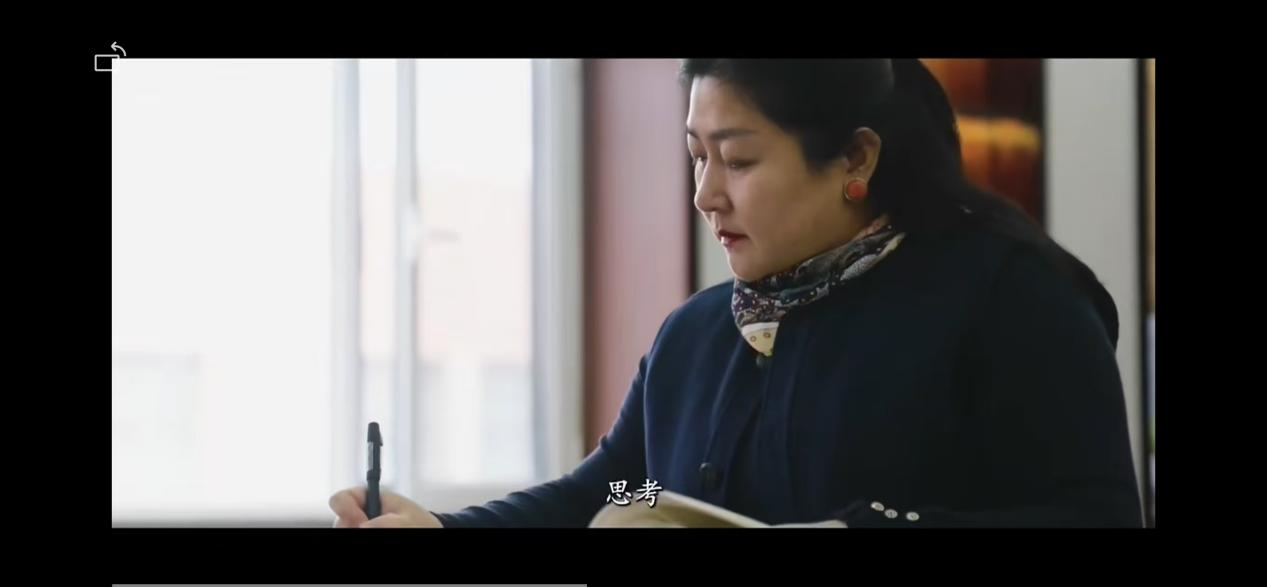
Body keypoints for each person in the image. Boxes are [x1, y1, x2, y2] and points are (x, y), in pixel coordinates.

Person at [330, 58, 1142, 528]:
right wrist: (444, 528)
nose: (704, 194)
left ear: (855, 159)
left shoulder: (1008, 300)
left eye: (739, 160)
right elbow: (617, 489)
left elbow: (1090, 518)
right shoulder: (695, 335)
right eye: (696, 155)